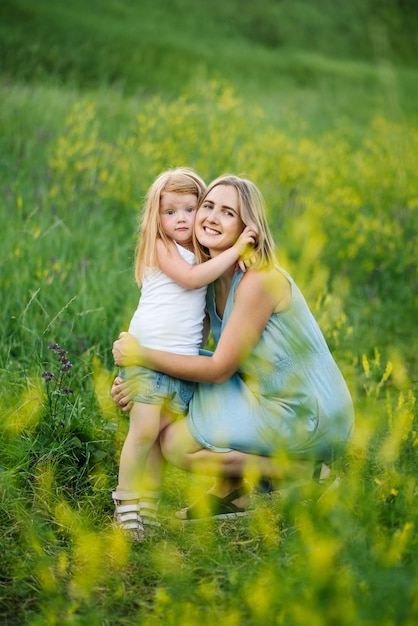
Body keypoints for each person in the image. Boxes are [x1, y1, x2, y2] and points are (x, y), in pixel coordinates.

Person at [112, 174, 355, 522]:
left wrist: (142, 357)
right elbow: (187, 351)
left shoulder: (259, 279)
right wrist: (136, 379)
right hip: (265, 396)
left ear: (247, 228)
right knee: (174, 404)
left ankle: (307, 472)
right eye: (207, 206)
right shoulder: (212, 279)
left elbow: (219, 369)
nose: (211, 216)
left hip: (308, 411)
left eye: (227, 212)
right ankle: (233, 491)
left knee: (177, 445)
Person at [112, 168, 256, 540]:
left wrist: (235, 258)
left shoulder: (202, 255)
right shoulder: (162, 247)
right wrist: (236, 250)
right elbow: (193, 280)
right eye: (170, 212)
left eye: (189, 210)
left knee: (160, 437)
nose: (180, 220)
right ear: (156, 217)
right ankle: (125, 504)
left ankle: (148, 506)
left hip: (181, 363)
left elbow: (204, 311)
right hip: (148, 356)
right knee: (142, 432)